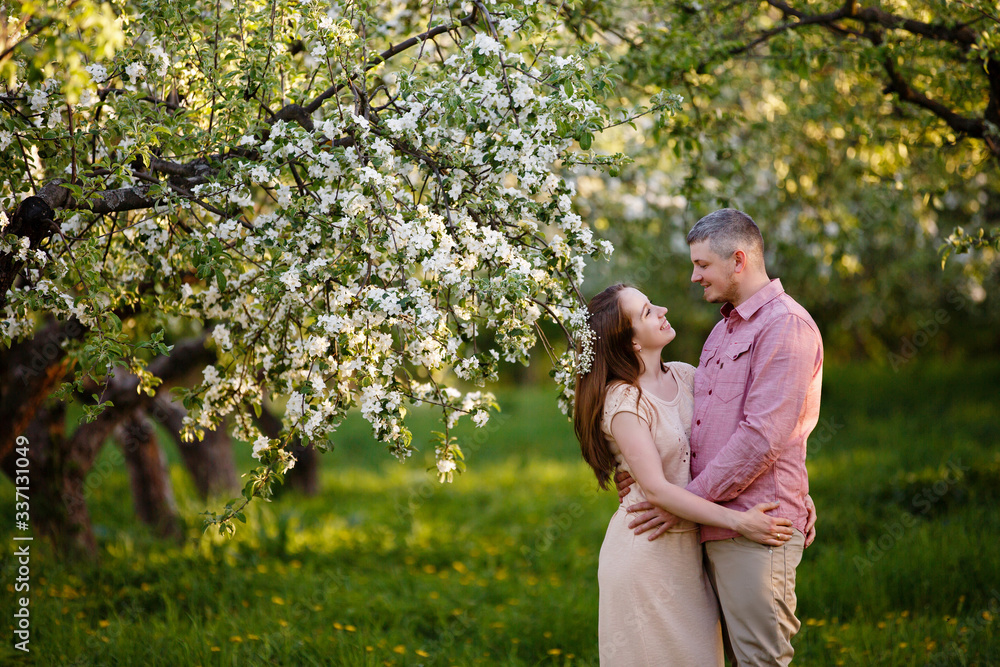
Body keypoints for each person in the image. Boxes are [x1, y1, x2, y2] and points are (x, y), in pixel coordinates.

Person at [616, 208, 823, 666]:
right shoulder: (722, 332)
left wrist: (678, 501)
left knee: (759, 661)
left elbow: (761, 438)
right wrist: (640, 473)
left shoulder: (784, 326)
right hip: (712, 527)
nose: (694, 277)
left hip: (756, 525)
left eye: (702, 265)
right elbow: (690, 425)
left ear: (739, 260)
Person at [574, 283, 796, 667]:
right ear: (630, 343)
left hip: (690, 552)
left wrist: (795, 492)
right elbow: (658, 491)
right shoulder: (624, 401)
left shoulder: (686, 376)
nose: (661, 309)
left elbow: (741, 441)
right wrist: (740, 522)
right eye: (646, 312)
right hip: (647, 553)